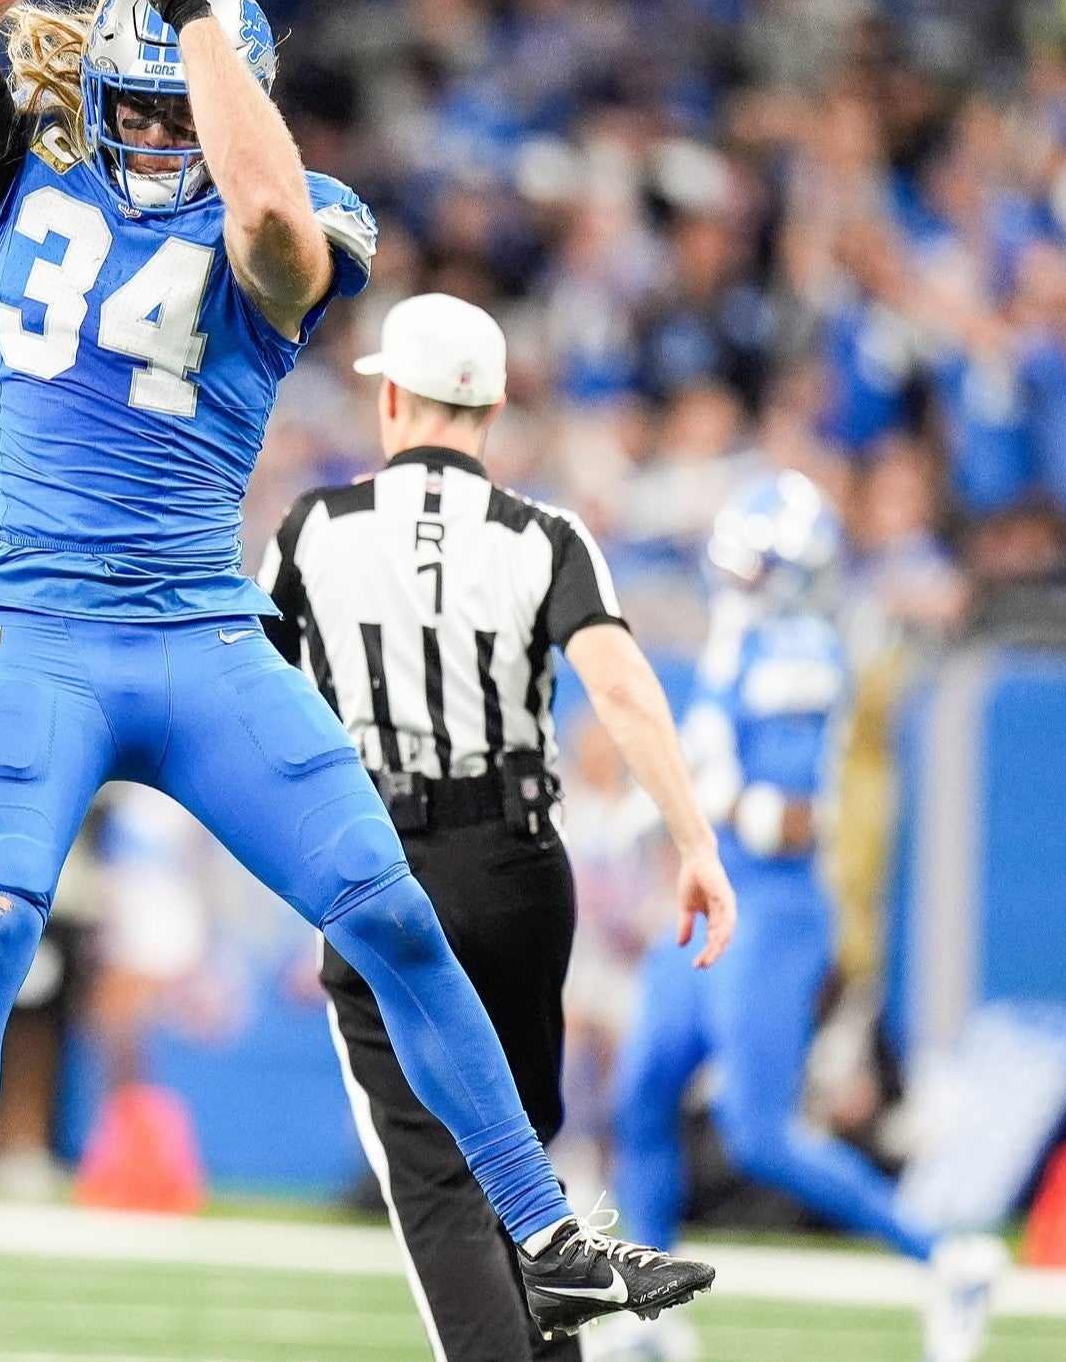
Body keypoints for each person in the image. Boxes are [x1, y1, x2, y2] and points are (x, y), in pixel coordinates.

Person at [0, 0, 715, 1355]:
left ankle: (546, 1231)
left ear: (226, 99)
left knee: (394, 915)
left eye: (175, 112)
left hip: (200, 636)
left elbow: (265, 220)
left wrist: (194, 14)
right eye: (126, 108)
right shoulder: (20, 180)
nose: (147, 141)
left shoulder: (293, 215)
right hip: (39, 628)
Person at [260, 294, 738, 1362]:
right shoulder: (543, 534)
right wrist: (694, 843)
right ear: (492, 404)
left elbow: (250, 697)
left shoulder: (314, 529)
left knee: (437, 1180)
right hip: (520, 867)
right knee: (519, 1173)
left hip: (380, 860)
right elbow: (618, 686)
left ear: (392, 396)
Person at [607, 473, 1002, 1362]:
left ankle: (948, 1256)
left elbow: (791, 819)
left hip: (771, 905)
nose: (735, 584)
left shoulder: (801, 654)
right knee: (642, 1089)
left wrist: (692, 806)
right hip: (711, 891)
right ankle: (655, 1316)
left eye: (752, 569)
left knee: (761, 1134)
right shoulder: (738, 643)